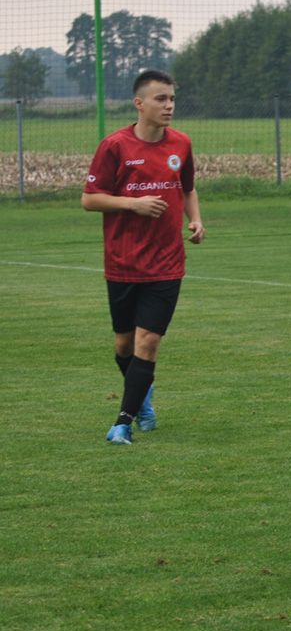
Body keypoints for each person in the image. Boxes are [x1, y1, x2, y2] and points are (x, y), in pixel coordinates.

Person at [82, 69, 205, 445]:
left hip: (167, 263)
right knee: (124, 344)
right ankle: (142, 397)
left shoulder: (181, 143)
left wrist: (196, 219)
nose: (169, 106)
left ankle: (122, 422)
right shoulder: (115, 146)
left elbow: (188, 188)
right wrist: (132, 204)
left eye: (172, 99)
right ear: (139, 103)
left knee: (148, 341)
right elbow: (89, 199)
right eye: (160, 99)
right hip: (123, 262)